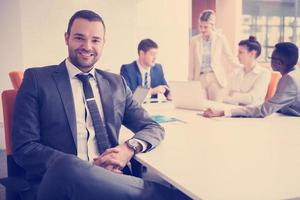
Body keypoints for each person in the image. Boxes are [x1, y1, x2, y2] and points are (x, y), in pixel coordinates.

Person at [11, 10, 190, 200]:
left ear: (103, 43)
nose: (87, 46)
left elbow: (152, 127)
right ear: (66, 38)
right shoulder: (38, 80)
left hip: (113, 179)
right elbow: (25, 146)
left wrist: (128, 148)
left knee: (178, 187)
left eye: (95, 40)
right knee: (67, 165)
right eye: (79, 38)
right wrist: (87, 170)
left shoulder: (116, 84)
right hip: (62, 183)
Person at [204, 42, 300, 118]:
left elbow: (263, 110)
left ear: (279, 63)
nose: (237, 55)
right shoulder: (294, 74)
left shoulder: (289, 80)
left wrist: (223, 112)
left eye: (271, 58)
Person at [188, 9, 240, 101]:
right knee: (200, 106)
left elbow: (229, 57)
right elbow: (191, 64)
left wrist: (242, 67)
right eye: (200, 26)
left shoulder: (221, 39)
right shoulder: (194, 41)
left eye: (205, 27)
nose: (202, 30)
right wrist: (190, 83)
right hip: (200, 78)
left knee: (215, 107)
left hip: (215, 78)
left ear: (212, 26)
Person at [223, 36, 271, 106]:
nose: (237, 55)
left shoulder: (264, 73)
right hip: (234, 108)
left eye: (241, 52)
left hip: (252, 112)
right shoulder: (236, 72)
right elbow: (225, 95)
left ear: (252, 54)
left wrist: (234, 94)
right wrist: (240, 97)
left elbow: (252, 98)